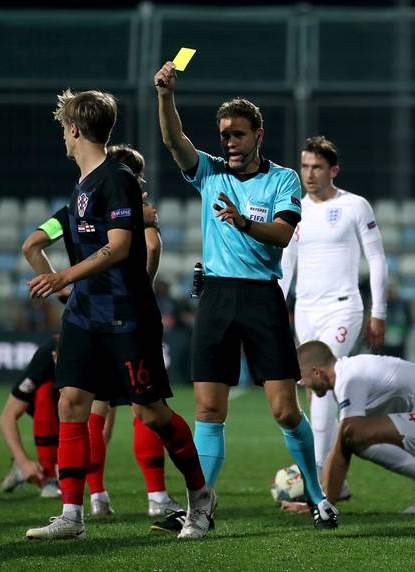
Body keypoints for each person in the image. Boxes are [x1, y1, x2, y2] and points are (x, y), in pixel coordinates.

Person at [154, 62, 338, 530]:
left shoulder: (282, 180)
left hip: (261, 299)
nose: (229, 142)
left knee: (284, 409)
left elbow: (281, 233)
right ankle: (201, 510)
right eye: (223, 135)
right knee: (208, 410)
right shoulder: (209, 173)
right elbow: (176, 142)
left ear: (258, 133)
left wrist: (243, 223)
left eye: (237, 134)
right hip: (216, 297)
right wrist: (165, 96)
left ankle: (318, 497)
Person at [23, 89, 213, 541]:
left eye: (63, 130)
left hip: (126, 316)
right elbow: (39, 244)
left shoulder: (117, 178)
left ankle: (201, 499)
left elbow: (122, 247)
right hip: (86, 316)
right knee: (70, 402)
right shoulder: (82, 187)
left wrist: (63, 276)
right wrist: (71, 288)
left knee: (151, 413)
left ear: (73, 129)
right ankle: (72, 515)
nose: (63, 140)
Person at [19, 143, 183, 520]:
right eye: (137, 178)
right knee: (145, 409)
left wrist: (65, 291)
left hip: (85, 314)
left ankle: (96, 498)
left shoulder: (69, 212)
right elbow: (151, 254)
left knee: (91, 412)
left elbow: (31, 245)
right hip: (125, 317)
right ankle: (157, 496)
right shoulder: (134, 216)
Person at [279, 135, 388, 492]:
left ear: (333, 170)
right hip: (306, 310)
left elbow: (376, 259)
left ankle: (320, 478)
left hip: (343, 307)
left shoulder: (355, 206)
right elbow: (287, 261)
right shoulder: (295, 208)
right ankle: (333, 478)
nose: (309, 174)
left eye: (317, 167)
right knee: (316, 390)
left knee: (320, 383)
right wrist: (277, 305)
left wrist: (379, 312)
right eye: (305, 166)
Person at [296, 341, 415, 513]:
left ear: (317, 372)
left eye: (302, 378)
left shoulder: (350, 380)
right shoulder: (348, 372)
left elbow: (342, 445)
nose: (303, 384)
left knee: (354, 435)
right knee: (356, 437)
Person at [0, 338, 62, 499]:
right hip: (54, 407)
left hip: (77, 407)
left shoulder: (96, 357)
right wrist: (23, 461)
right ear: (55, 356)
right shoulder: (44, 361)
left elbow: (104, 412)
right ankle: (48, 477)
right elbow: (7, 416)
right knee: (44, 395)